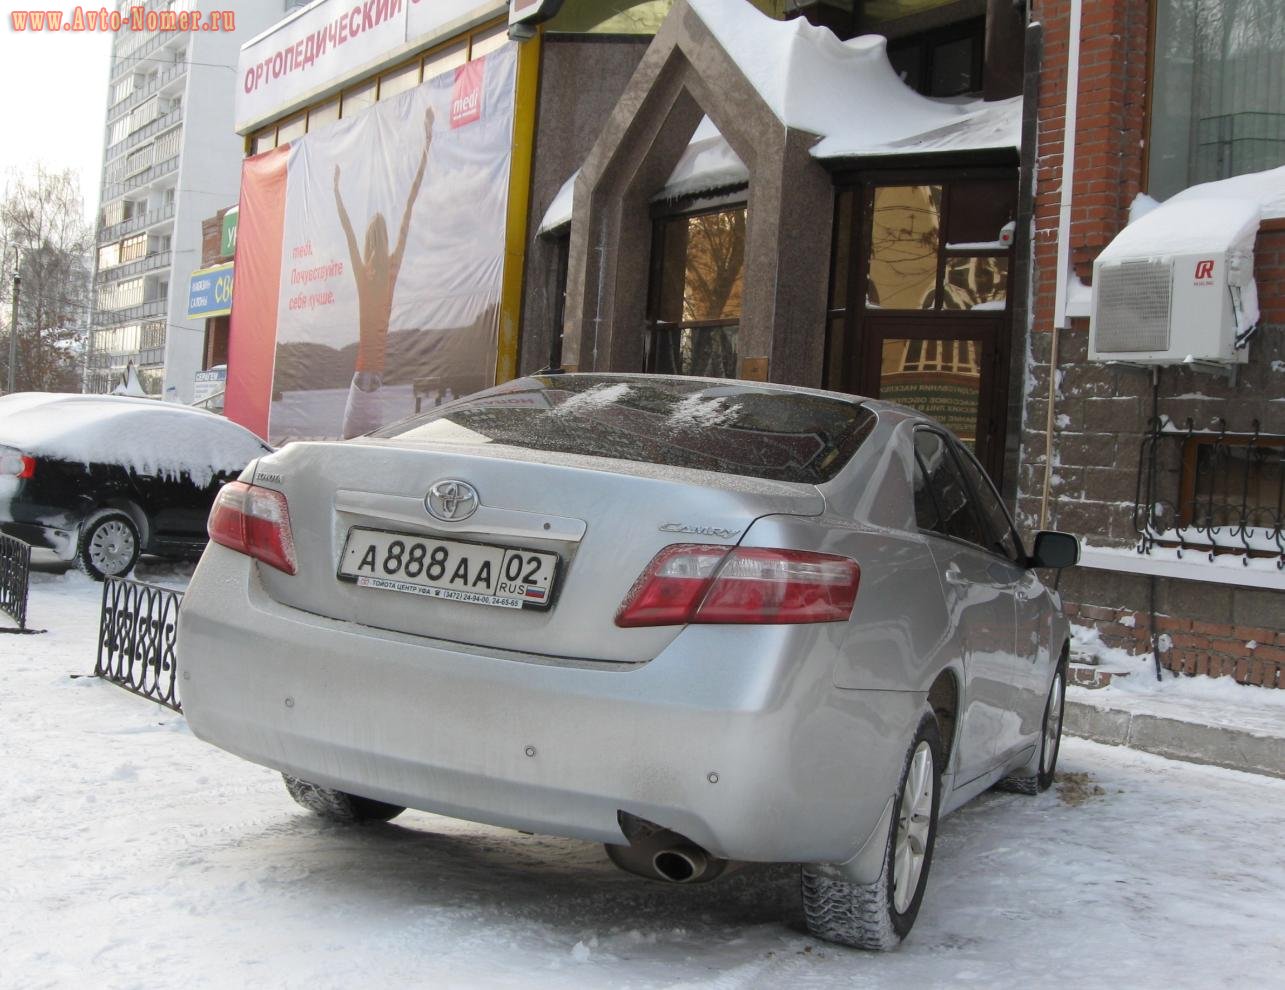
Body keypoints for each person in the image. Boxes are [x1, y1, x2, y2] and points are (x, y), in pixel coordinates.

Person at [334, 106, 434, 438]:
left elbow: (348, 230)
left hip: (362, 379)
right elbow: (409, 204)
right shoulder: (391, 268)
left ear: (367, 242)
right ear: (387, 238)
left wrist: (336, 190)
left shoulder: (366, 275)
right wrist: (427, 141)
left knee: (348, 450)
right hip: (378, 383)